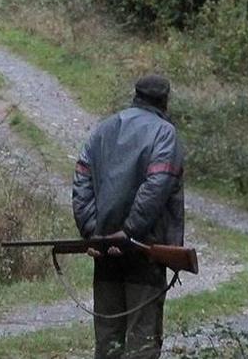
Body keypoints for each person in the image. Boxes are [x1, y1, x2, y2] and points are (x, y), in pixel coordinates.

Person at [72, 74, 185, 359]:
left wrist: (92, 232)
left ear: (136, 95)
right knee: (142, 342)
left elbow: (81, 178)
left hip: (104, 252)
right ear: (165, 100)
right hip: (145, 252)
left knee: (107, 342)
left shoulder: (104, 129)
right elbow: (156, 187)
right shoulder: (164, 133)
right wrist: (129, 232)